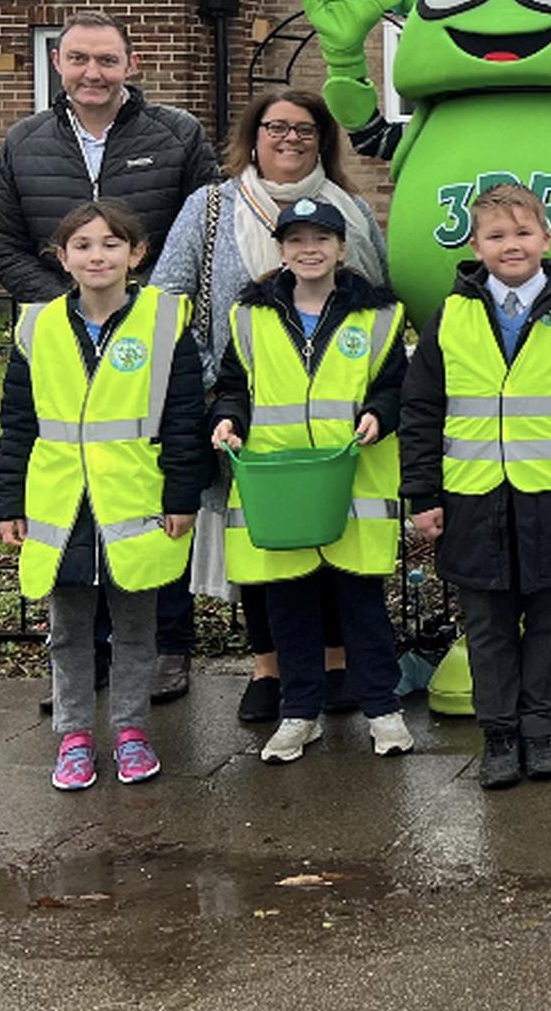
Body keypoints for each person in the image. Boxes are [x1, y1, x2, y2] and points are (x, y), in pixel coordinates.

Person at [0, 11, 218, 704]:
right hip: (62, 341)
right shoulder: (23, 141)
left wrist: (135, 303)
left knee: (150, 494)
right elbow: (2, 238)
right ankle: (79, 669)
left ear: (130, 64)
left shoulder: (176, 134)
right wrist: (69, 304)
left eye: (107, 60)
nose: (93, 73)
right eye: (80, 59)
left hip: (149, 334)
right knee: (75, 496)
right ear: (59, 62)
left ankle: (167, 647)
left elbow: (204, 222)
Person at [155, 88, 388, 722]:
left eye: (305, 129)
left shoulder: (353, 212)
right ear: (252, 136)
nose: (290, 139)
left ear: (324, 140)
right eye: (276, 127)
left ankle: (338, 663)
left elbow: (379, 302)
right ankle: (269, 669)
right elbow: (168, 299)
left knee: (340, 535)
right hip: (240, 410)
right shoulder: (210, 208)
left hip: (339, 418)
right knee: (262, 541)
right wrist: (210, 389)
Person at [400, 183, 551, 789]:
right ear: (475, 245)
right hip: (474, 498)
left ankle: (541, 734)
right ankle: (500, 737)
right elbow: (421, 410)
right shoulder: (451, 316)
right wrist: (422, 496)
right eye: (496, 235)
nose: (511, 245)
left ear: (546, 239)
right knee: (488, 629)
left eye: (523, 232)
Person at [0, 200, 208, 790]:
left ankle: (132, 732)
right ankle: (76, 737)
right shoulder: (38, 327)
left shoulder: (165, 321)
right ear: (62, 258)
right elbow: (18, 423)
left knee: (138, 628)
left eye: (112, 243)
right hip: (61, 507)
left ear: (136, 254)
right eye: (82, 245)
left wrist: (182, 496)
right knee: (68, 631)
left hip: (134, 501)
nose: (97, 255)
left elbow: (186, 418)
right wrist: (7, 502)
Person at [208, 196, 414, 764]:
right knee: (289, 606)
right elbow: (233, 387)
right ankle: (299, 713)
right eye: (296, 240)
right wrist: (228, 419)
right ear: (280, 251)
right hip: (279, 486)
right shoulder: (248, 317)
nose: (309, 250)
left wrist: (381, 412)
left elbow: (396, 386)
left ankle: (383, 709)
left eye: (321, 239)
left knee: (361, 605)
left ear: (342, 248)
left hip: (353, 483)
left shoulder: (378, 317)